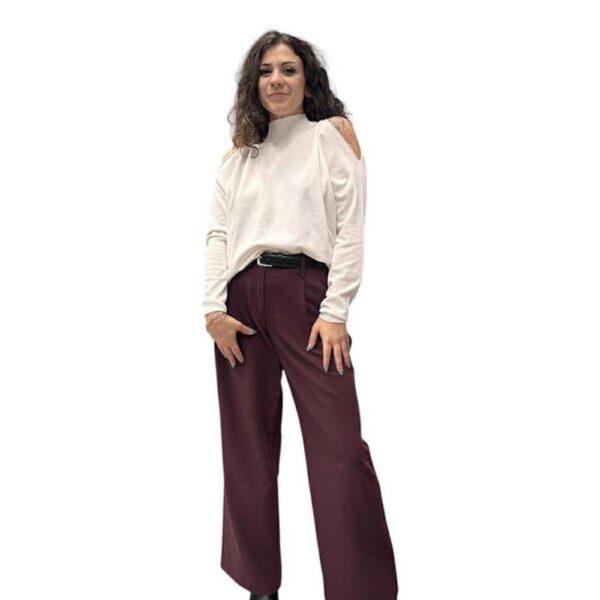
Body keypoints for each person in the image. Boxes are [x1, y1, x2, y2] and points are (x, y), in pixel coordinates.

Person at [203, 30, 399, 600]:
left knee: (339, 451)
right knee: (247, 448)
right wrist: (213, 309)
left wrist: (335, 310)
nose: (277, 80)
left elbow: (351, 227)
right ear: (254, 83)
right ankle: (259, 586)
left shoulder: (328, 137)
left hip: (308, 298)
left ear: (307, 80)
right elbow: (218, 234)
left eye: (288, 70)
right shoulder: (239, 157)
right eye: (266, 71)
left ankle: (360, 591)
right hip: (241, 307)